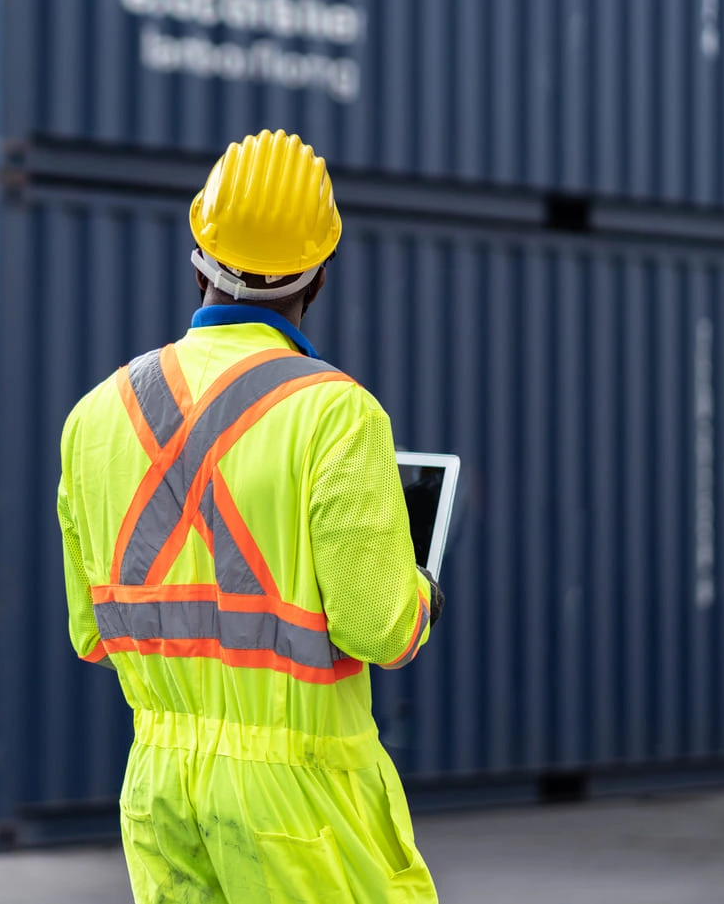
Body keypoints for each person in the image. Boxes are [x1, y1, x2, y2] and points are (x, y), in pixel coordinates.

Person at [57, 129, 443, 902]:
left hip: (162, 794)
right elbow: (382, 630)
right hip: (304, 805)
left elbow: (92, 635)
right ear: (319, 274)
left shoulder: (95, 416)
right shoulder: (337, 415)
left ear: (197, 253)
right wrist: (422, 586)